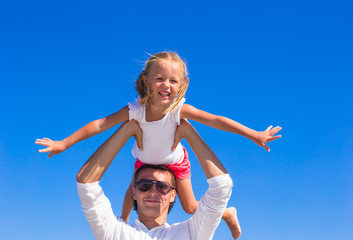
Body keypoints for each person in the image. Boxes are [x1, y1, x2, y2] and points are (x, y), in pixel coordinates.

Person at [36, 51, 281, 238]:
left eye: (174, 81)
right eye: (160, 78)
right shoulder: (135, 110)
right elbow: (101, 124)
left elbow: (215, 120)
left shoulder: (179, 110)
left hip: (175, 161)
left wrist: (254, 134)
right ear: (146, 81)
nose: (167, 85)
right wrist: (64, 143)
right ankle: (122, 222)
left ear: (181, 85)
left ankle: (226, 212)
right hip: (145, 160)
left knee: (191, 207)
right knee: (132, 190)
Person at [77, 119, 238, 239]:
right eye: (145, 185)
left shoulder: (190, 233)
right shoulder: (115, 231)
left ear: (173, 194)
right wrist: (127, 129)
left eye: (162, 186)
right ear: (134, 192)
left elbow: (222, 186)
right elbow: (86, 182)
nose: (153, 191)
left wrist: (187, 132)